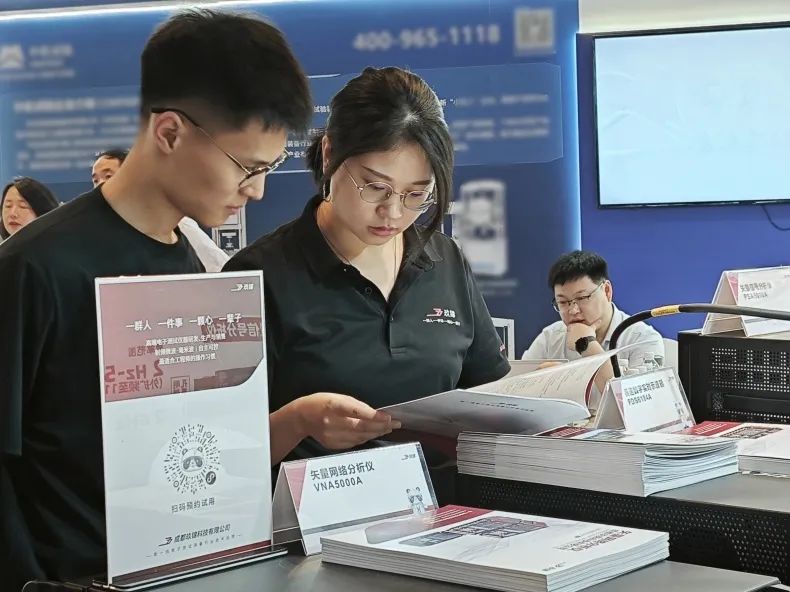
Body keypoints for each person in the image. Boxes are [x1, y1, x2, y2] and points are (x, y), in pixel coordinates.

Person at [0, 9, 310, 591]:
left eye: (269, 169)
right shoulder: (34, 267)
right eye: (247, 167)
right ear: (169, 133)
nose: (257, 190)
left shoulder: (193, 265)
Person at [224, 67, 510, 483]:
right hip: (317, 514)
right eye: (375, 187)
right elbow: (219, 452)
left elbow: (489, 391)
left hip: (445, 506)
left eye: (416, 194)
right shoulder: (257, 277)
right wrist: (298, 421)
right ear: (329, 154)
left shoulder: (444, 258)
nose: (392, 212)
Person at [522, 250, 664, 392]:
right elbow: (518, 389)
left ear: (607, 291)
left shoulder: (643, 339)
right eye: (563, 302)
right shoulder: (551, 337)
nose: (573, 310)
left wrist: (587, 344)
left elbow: (627, 402)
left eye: (582, 298)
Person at [91, 148, 231, 271]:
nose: (100, 185)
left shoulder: (174, 225)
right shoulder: (97, 231)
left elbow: (222, 269)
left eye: (108, 176)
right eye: (96, 180)